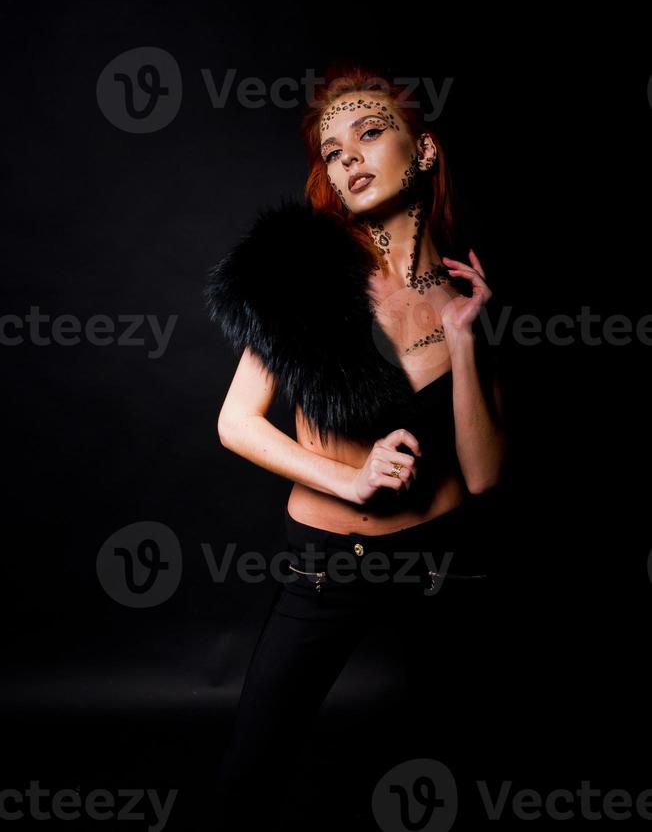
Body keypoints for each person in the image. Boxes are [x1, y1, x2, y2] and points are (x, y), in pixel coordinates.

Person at [204, 61, 509, 827]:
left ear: (425, 150)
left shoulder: (458, 295)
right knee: (251, 771)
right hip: (331, 564)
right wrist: (352, 480)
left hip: (441, 559)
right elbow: (235, 422)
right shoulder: (304, 279)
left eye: (371, 133)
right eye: (334, 151)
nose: (350, 158)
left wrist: (468, 345)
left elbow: (484, 475)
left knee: (478, 757)